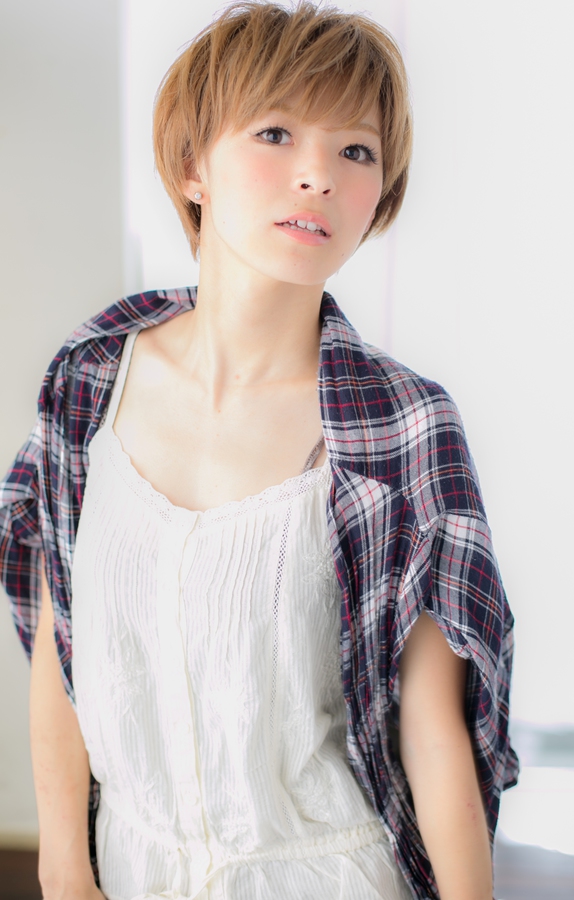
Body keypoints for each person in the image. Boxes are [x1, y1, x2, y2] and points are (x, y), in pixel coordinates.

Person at [0, 2, 518, 898]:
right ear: (192, 166)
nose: (317, 175)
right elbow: (60, 636)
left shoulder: (404, 426)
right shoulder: (90, 378)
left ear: (380, 194)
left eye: (355, 150)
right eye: (275, 133)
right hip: (127, 871)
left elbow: (433, 733)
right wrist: (62, 868)